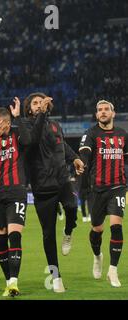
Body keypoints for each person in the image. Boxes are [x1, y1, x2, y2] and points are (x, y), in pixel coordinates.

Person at [22, 93, 84, 292]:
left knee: (73, 207)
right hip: (42, 186)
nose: (40, 104)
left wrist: (74, 158)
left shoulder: (56, 125)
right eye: (35, 103)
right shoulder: (26, 125)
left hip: (62, 179)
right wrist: (41, 115)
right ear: (29, 109)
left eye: (42, 101)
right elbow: (33, 140)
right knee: (48, 234)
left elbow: (62, 145)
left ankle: (68, 231)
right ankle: (56, 276)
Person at [0, 100, 31, 297]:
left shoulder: (17, 133)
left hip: (16, 190)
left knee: (15, 235)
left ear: (7, 123)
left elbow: (29, 142)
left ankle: (13, 282)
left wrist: (18, 117)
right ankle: (7, 280)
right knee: (1, 241)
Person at [79, 100, 126, 287]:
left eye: (107, 109)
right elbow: (85, 151)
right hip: (96, 189)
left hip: (118, 187)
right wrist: (82, 161)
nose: (103, 112)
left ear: (113, 113)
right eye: (100, 110)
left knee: (116, 226)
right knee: (97, 229)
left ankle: (112, 271)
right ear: (96, 114)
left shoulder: (122, 135)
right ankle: (97, 256)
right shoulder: (91, 133)